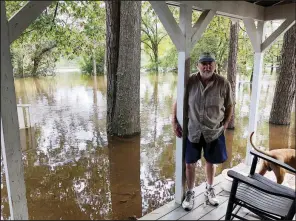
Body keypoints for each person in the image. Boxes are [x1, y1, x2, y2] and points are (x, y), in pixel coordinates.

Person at [172, 52, 233, 211]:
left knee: (211, 162)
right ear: (197, 65)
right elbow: (178, 101)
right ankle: (190, 192)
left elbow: (230, 105)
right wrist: (174, 121)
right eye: (203, 63)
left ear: (215, 65)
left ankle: (209, 189)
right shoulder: (189, 81)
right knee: (189, 163)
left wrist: (225, 123)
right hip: (193, 130)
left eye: (210, 63)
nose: (207, 66)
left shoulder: (223, 83)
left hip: (213, 131)